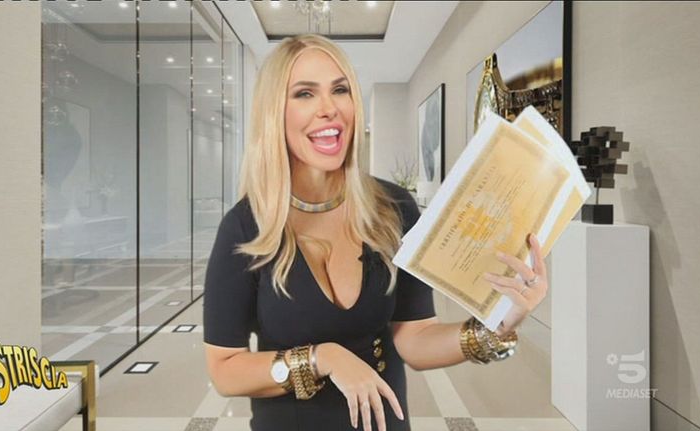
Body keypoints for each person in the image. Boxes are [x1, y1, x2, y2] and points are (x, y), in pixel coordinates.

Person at [203, 34, 549, 431]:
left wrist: (499, 324)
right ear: (273, 113)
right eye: (304, 94)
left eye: (340, 90)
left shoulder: (394, 207)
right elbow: (225, 370)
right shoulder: (246, 227)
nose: (329, 109)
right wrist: (322, 358)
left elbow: (414, 338)